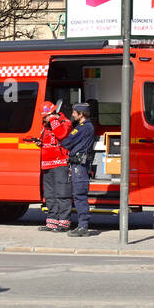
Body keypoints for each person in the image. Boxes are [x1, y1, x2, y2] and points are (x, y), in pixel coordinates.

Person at [61, 102, 97, 237]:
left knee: (79, 195)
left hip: (79, 167)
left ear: (81, 114)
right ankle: (82, 226)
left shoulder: (82, 128)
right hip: (79, 165)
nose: (72, 114)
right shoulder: (86, 127)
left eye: (74, 112)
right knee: (79, 195)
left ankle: (83, 227)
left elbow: (67, 142)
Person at [36, 101, 72, 232]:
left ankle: (64, 223)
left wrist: (53, 121)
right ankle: (52, 222)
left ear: (52, 114)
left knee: (62, 193)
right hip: (46, 164)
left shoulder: (65, 122)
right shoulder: (45, 126)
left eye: (45, 116)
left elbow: (62, 134)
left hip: (60, 163)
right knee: (49, 194)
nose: (44, 119)